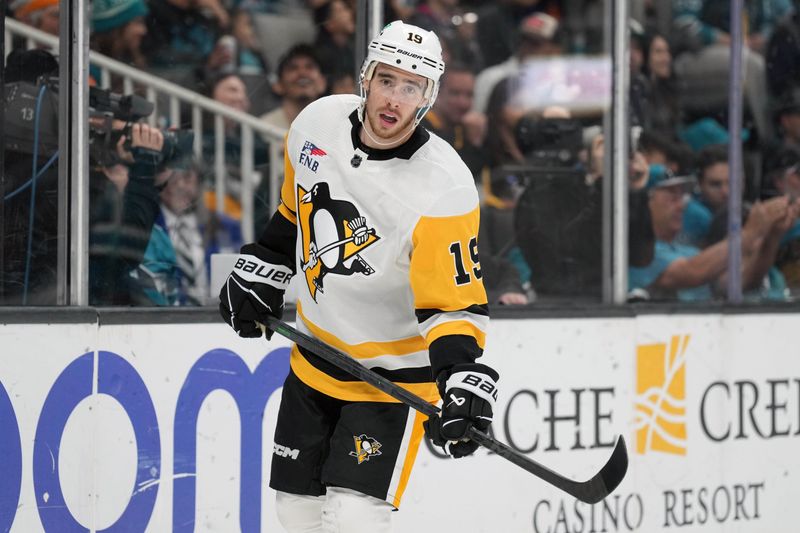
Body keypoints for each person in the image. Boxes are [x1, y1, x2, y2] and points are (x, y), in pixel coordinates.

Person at [218, 21, 498, 531]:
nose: (394, 99)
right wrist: (263, 268)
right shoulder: (315, 124)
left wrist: (460, 379)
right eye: (387, 80)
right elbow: (294, 212)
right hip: (315, 359)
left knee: (353, 519)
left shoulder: (445, 186)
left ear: (427, 97)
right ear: (366, 77)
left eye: (411, 88)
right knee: (295, 513)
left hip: (389, 383)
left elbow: (451, 305)